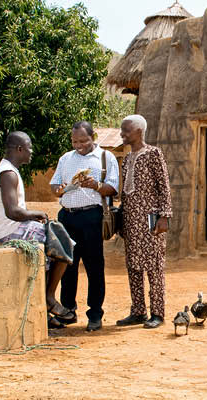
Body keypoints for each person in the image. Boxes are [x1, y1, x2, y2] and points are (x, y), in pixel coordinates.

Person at [0, 131, 75, 329]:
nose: (31, 152)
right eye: (29, 148)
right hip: (9, 229)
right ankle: (48, 298)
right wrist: (37, 213)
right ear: (19, 149)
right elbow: (12, 211)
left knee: (61, 242)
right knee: (61, 244)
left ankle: (46, 301)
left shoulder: (10, 170)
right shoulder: (7, 174)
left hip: (15, 226)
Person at [48, 121, 119, 332]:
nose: (78, 145)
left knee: (94, 267)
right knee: (66, 266)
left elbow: (113, 188)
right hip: (67, 217)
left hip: (91, 217)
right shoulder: (66, 159)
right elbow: (54, 185)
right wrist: (59, 189)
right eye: (75, 141)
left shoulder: (106, 158)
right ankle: (68, 310)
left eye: (83, 140)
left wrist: (96, 185)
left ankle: (95, 314)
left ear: (93, 137)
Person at [115, 115, 172, 329]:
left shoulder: (153, 154)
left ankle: (157, 312)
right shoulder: (128, 159)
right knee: (133, 266)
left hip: (151, 219)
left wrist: (165, 216)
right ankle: (138, 310)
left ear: (139, 131)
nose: (122, 134)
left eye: (126, 130)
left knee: (154, 265)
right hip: (131, 220)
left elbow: (164, 186)